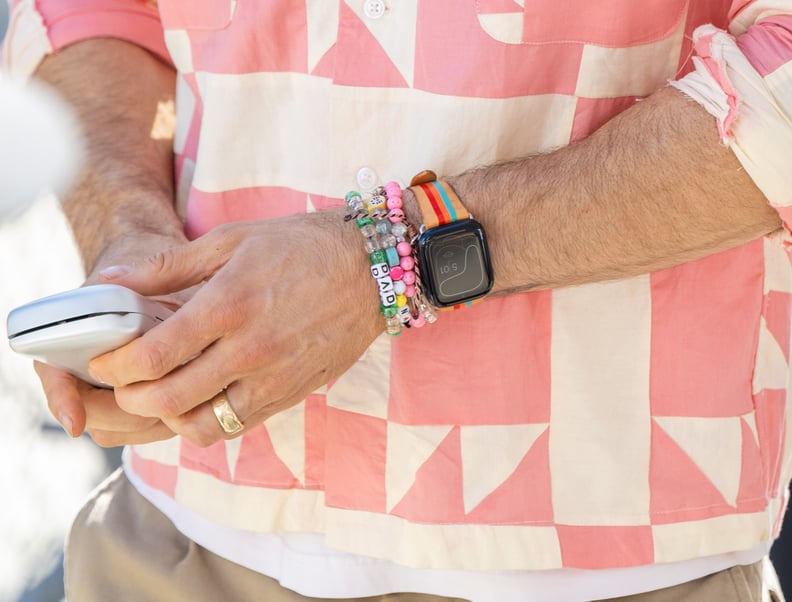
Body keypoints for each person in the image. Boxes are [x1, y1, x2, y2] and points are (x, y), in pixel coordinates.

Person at [2, 1, 791, 600]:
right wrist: (130, 235)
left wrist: (384, 263)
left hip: (605, 566)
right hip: (177, 543)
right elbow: (96, 14)